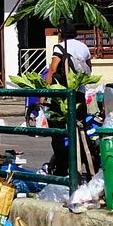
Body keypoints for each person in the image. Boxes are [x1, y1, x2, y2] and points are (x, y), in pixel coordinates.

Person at [43, 19, 92, 176]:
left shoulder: (60, 47)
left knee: (57, 134)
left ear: (61, 33)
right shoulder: (84, 47)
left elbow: (52, 69)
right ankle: (86, 167)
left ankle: (62, 170)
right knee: (80, 131)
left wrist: (44, 94)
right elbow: (89, 69)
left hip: (62, 97)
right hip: (79, 94)